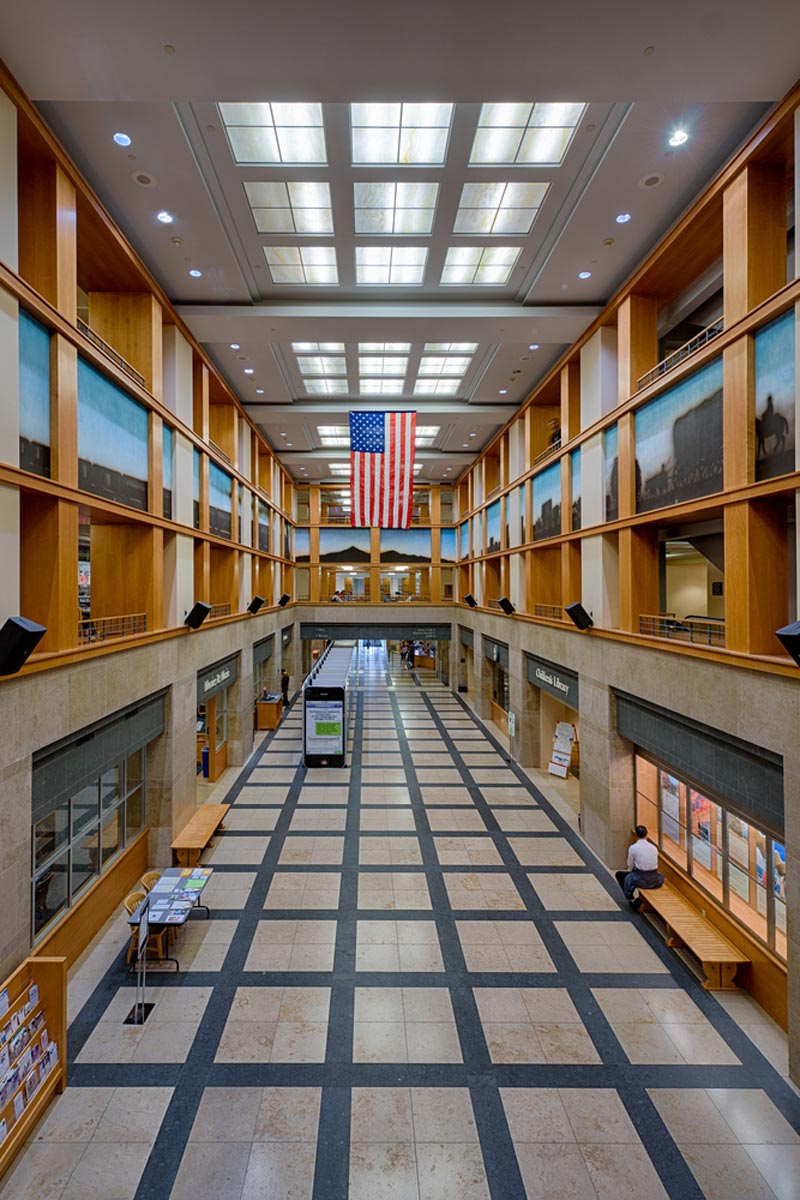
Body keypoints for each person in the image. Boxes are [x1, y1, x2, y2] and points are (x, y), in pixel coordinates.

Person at [615, 825, 664, 908]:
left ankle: (630, 898)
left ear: (636, 835)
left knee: (620, 875)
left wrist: (631, 870)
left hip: (641, 879)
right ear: (647, 834)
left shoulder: (633, 848)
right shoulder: (653, 847)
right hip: (655, 879)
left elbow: (630, 865)